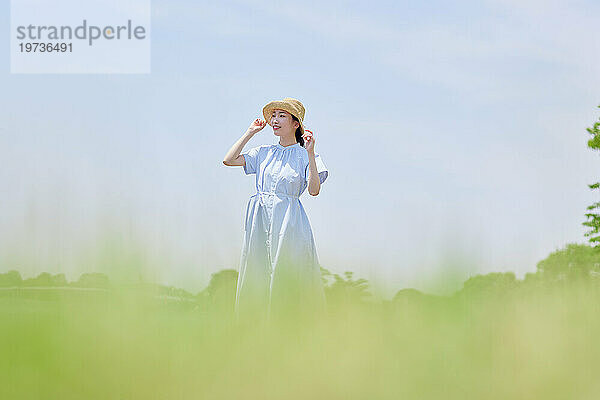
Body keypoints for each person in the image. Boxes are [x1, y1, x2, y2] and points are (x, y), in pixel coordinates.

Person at [222, 97, 329, 330]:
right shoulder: (263, 152)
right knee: (257, 267)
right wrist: (250, 132)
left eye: (282, 115)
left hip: (289, 221)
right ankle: (254, 328)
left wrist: (310, 153)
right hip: (260, 217)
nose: (275, 120)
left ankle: (290, 328)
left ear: (295, 123)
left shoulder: (305, 155)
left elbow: (313, 190)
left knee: (287, 269)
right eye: (274, 115)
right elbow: (228, 160)